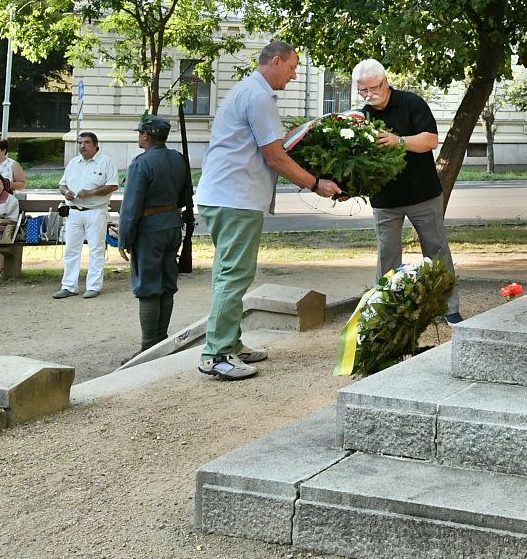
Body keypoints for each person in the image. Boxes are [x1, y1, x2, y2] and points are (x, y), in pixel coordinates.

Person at [195, 42, 339, 380]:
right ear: (275, 62)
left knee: (229, 273)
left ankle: (229, 342)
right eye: (292, 68)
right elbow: (274, 156)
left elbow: (275, 148)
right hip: (235, 199)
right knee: (234, 276)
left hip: (228, 196)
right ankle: (216, 354)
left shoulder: (247, 91)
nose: (293, 76)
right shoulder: (258, 97)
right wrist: (315, 183)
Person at [352, 58, 461, 323]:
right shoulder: (361, 116)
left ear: (385, 82)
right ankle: (385, 311)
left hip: (422, 194)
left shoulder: (411, 103)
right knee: (387, 255)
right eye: (362, 90)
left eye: (373, 88)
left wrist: (397, 141)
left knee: (436, 251)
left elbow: (431, 140)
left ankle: (449, 309)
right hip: (384, 199)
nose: (369, 95)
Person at [118, 117, 194, 353]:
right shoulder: (178, 159)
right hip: (172, 225)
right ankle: (161, 339)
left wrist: (124, 238)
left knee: (148, 287)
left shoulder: (141, 163)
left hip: (149, 229)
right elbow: (185, 196)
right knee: (167, 284)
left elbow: (131, 207)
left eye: (140, 133)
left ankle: (149, 346)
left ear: (146, 136)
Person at [53, 132, 118, 299]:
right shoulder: (74, 162)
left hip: (95, 211)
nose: (82, 146)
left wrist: (91, 192)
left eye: (86, 142)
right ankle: (68, 286)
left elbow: (112, 185)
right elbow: (62, 184)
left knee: (96, 249)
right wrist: (66, 192)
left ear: (95, 145)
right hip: (74, 211)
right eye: (80, 142)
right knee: (71, 250)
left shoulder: (106, 162)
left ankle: (94, 286)